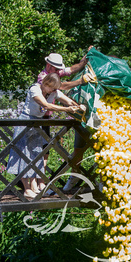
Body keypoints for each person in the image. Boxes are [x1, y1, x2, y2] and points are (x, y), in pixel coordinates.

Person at [6, 73, 83, 199]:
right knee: (24, 155)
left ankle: (35, 187)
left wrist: (78, 107)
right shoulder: (34, 89)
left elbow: (68, 101)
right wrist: (67, 110)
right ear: (46, 84)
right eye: (52, 88)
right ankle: (27, 189)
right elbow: (46, 105)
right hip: (25, 123)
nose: (54, 91)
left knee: (36, 155)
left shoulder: (53, 91)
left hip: (37, 125)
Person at [37, 50, 94, 192]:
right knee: (37, 153)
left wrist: (86, 59)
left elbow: (72, 69)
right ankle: (36, 185)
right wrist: (80, 81)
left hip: (45, 118)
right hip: (36, 119)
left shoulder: (55, 73)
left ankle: (41, 184)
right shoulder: (43, 78)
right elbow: (60, 87)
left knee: (45, 152)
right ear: (49, 66)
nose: (59, 71)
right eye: (57, 69)